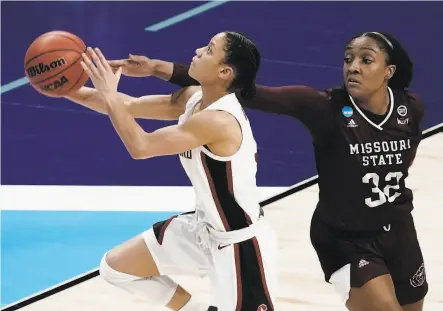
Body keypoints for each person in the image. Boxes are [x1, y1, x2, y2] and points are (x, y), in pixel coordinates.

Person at [109, 31, 428, 311]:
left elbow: (404, 161)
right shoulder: (321, 105)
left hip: (399, 229)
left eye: (366, 60)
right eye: (348, 59)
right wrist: (159, 69)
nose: (353, 66)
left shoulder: (411, 108)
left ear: (389, 71)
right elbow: (243, 89)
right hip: (345, 238)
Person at [62, 31, 278, 311]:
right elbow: (126, 106)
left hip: (240, 245)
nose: (199, 49)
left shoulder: (218, 121)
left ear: (224, 72)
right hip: (203, 230)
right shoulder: (193, 98)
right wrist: (65, 89)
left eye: (209, 49)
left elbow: (141, 146)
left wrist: (109, 92)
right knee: (117, 268)